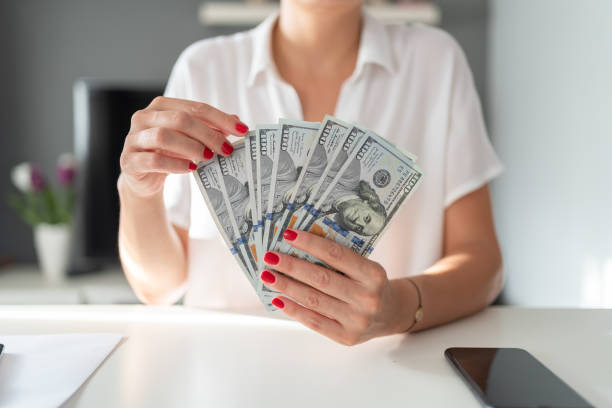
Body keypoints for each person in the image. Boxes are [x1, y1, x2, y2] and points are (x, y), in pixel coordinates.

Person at [118, 0, 504, 346]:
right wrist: (137, 191)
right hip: (225, 374)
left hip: (389, 373)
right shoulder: (202, 68)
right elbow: (159, 287)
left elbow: (482, 263)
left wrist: (399, 306)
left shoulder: (435, 61)